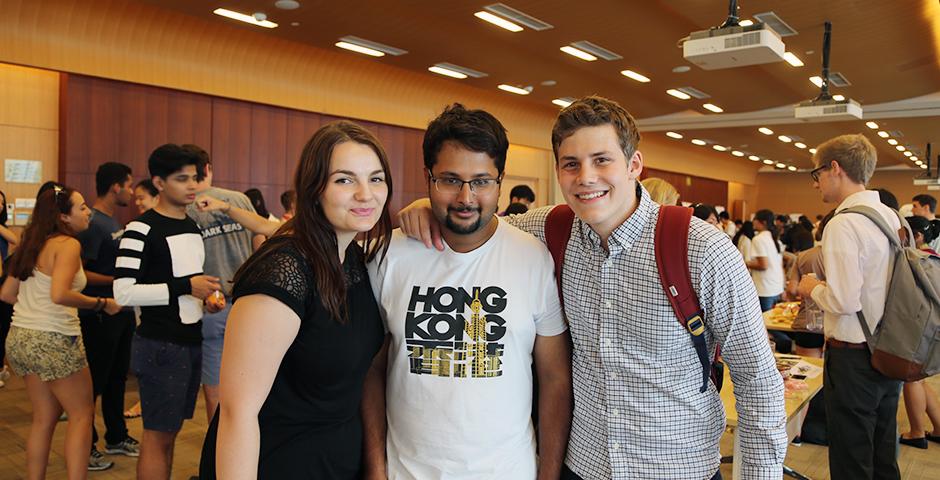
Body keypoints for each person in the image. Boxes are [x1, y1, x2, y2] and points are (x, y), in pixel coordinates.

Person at [399, 95, 786, 479]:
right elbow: (477, 220)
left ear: (634, 164)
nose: (585, 177)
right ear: (558, 172)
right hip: (582, 468)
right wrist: (428, 206)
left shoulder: (699, 248)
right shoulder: (551, 229)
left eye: (602, 160)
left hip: (677, 469)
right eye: (571, 164)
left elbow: (759, 384)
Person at [364, 104, 571, 479]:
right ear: (427, 178)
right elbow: (371, 369)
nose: (465, 197)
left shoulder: (532, 257)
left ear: (500, 181)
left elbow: (555, 378)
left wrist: (549, 474)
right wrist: (377, 470)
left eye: (481, 181)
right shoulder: (388, 256)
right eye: (449, 180)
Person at [199, 120, 392, 478]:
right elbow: (238, 414)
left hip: (335, 460)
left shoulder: (350, 255)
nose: (366, 194)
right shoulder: (284, 270)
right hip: (279, 461)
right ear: (314, 188)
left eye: (376, 178)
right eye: (345, 180)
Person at [113, 144, 222, 480]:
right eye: (181, 179)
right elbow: (123, 292)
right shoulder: (139, 229)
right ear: (159, 183)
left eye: (195, 178)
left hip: (190, 341)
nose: (191, 185)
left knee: (169, 433)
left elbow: (185, 284)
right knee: (158, 436)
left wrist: (205, 297)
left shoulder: (192, 226)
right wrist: (186, 288)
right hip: (160, 345)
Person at [798, 133, 903, 480]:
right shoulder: (891, 217)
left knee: (851, 455)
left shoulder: (843, 222)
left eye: (817, 174)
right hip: (889, 347)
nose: (817, 185)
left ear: (835, 169)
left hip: (853, 355)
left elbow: (844, 300)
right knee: (882, 449)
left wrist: (812, 287)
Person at [1, 185, 122, 479]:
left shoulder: (33, 243)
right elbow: (59, 294)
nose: (87, 212)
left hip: (21, 337)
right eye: (81, 208)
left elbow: (6, 294)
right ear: (63, 217)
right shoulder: (68, 246)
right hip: (54, 338)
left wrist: (34, 307)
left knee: (44, 418)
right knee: (82, 416)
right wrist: (101, 303)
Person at [184, 144, 261, 424]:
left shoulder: (186, 208)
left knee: (215, 389)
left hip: (212, 305)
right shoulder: (239, 200)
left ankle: (217, 455)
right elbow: (260, 243)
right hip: (249, 302)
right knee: (252, 384)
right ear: (208, 169)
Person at [77, 162, 140, 468]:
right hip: (100, 312)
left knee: (117, 378)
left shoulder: (111, 221)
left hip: (122, 310)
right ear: (116, 186)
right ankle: (85, 446)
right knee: (95, 382)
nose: (131, 191)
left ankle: (116, 435)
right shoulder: (93, 224)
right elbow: (80, 273)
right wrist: (117, 281)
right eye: (129, 185)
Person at [898, 215, 940, 449]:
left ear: (918, 236)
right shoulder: (934, 257)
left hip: (920, 330)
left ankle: (916, 432)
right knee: (921, 380)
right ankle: (938, 427)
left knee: (911, 379)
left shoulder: (917, 259)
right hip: (931, 329)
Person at [0, 189, 19, 388]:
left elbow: (15, 240)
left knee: (4, 325)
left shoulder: (3, 228)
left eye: (2, 203)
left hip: (2, 281)